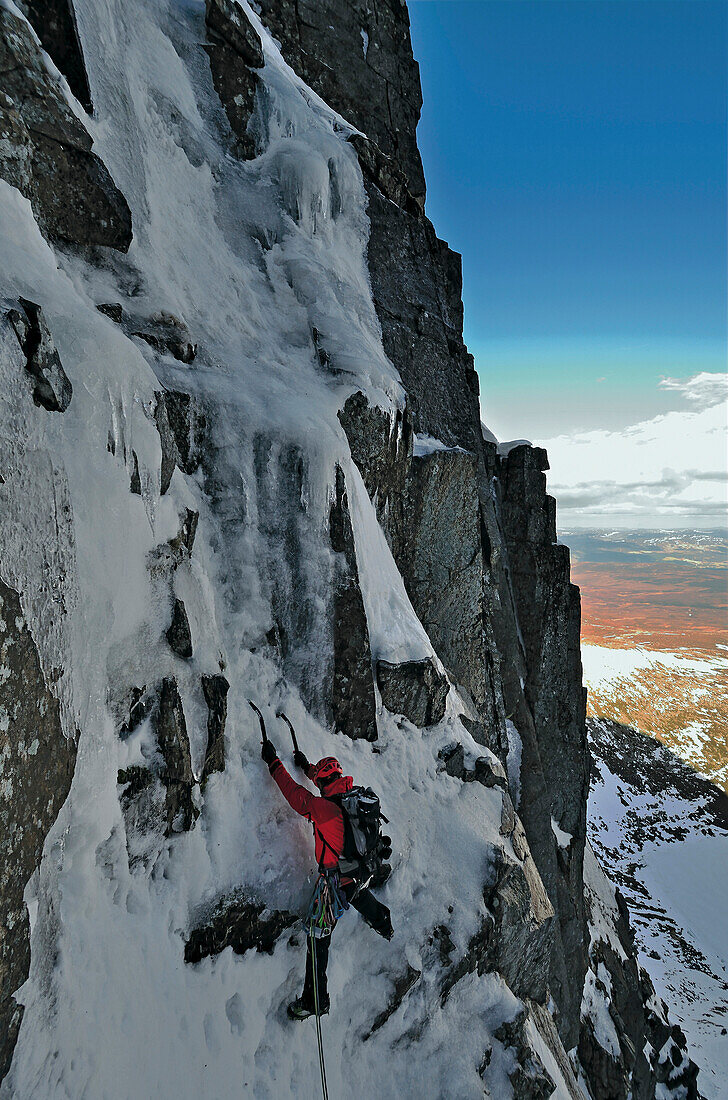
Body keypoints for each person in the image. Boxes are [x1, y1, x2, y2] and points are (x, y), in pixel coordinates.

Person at [261, 739, 393, 1020]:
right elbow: (325, 782)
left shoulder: (324, 810)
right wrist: (308, 767)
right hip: (362, 870)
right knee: (355, 890)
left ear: (321, 782)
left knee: (317, 935)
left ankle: (314, 1000)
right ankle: (382, 921)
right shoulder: (356, 796)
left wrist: (274, 763)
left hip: (336, 881)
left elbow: (296, 795)